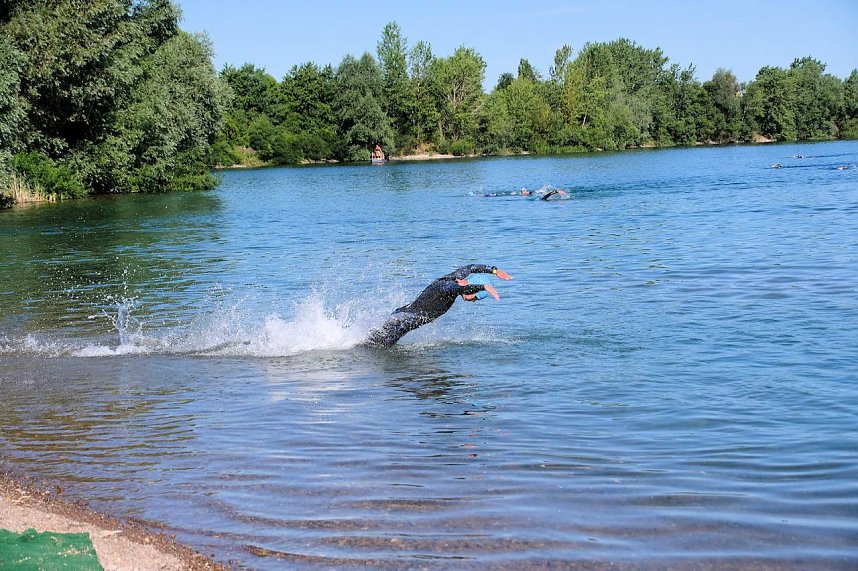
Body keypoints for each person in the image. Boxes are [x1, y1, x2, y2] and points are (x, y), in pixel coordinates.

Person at [363, 264, 512, 348]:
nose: (472, 300)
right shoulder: (450, 287)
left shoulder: (454, 277)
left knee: (367, 343)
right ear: (472, 289)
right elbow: (460, 289)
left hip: (400, 315)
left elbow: (471, 267)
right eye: (474, 298)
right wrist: (484, 288)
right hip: (401, 324)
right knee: (371, 348)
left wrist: (494, 270)